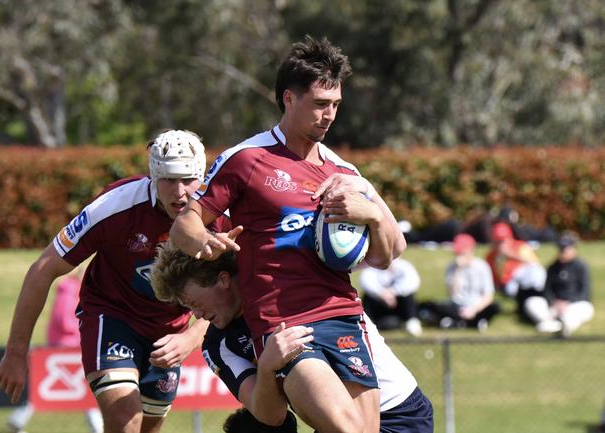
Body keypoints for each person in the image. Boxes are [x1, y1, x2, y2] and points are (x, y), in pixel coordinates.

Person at [170, 35, 406, 433]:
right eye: (319, 104)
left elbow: (387, 254)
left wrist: (372, 213)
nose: (329, 115)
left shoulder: (344, 173)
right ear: (288, 99)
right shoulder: (247, 159)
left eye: (335, 106)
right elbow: (184, 224)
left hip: (345, 316)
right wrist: (204, 242)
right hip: (286, 324)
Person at [0, 130, 233, 433]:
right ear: (153, 176)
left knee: (147, 428)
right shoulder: (116, 206)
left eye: (187, 179)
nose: (179, 192)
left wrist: (191, 337)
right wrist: (16, 352)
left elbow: (237, 290)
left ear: (201, 177)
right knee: (125, 421)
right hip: (112, 318)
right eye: (168, 180)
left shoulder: (220, 215)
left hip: (169, 332)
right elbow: (43, 269)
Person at [150, 245, 434, 433]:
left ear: (223, 279)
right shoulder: (219, 344)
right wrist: (267, 366)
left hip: (399, 413)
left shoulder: (287, 285)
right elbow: (270, 417)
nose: (195, 314)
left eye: (192, 301)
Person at [7, 266, 103, 433]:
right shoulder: (69, 290)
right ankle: (18, 419)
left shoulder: (76, 291)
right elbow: (64, 319)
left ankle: (97, 427)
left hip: (73, 348)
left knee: (78, 388)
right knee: (56, 387)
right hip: (64, 349)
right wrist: (85, 328)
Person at [419, 234, 500, 331]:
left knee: (495, 307)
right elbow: (452, 293)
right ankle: (470, 324)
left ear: (471, 250)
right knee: (428, 305)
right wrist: (458, 271)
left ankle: (457, 323)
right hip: (457, 307)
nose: (459, 255)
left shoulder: (482, 267)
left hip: (477, 307)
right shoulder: (452, 267)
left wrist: (473, 310)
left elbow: (488, 296)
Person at [523, 233, 594, 336]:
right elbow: (547, 290)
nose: (563, 252)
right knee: (532, 302)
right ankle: (552, 324)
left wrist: (568, 303)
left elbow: (585, 292)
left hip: (573, 305)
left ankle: (563, 327)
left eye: (566, 249)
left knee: (586, 308)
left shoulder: (581, 267)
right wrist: (554, 302)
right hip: (554, 306)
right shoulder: (553, 267)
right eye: (561, 249)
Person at [485, 222, 546, 320]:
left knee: (535, 271)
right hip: (510, 284)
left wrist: (510, 254)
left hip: (526, 278)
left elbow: (535, 264)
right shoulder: (491, 256)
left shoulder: (520, 246)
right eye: (498, 241)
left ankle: (539, 293)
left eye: (503, 240)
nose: (501, 244)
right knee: (513, 289)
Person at [359, 257, 423, 336]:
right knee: (367, 297)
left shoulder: (404, 266)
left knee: (408, 296)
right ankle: (367, 324)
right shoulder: (371, 266)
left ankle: (412, 323)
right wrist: (382, 294)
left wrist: (393, 292)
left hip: (398, 303)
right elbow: (366, 283)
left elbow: (413, 283)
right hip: (378, 302)